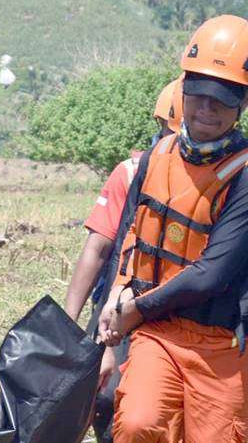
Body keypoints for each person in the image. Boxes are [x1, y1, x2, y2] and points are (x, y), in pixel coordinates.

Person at [98, 15, 248, 441]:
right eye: (199, 94)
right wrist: (114, 300)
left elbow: (212, 274)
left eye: (222, 99)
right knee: (136, 423)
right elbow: (129, 236)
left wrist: (135, 310)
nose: (207, 108)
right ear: (182, 87)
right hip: (160, 329)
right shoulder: (156, 158)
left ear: (245, 101)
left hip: (226, 342)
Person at [64, 79, 179, 443]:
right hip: (118, 303)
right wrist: (67, 324)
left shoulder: (222, 180)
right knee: (105, 397)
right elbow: (97, 249)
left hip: (175, 312)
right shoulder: (130, 172)